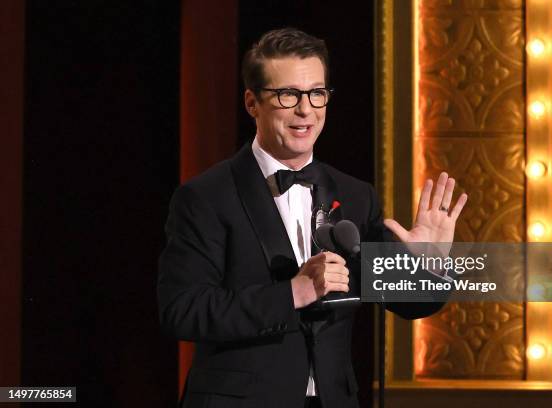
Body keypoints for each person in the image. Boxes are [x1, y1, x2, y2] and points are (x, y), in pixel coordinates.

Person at [158, 27, 467, 408]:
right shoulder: (205, 197)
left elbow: (411, 303)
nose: (305, 110)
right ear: (252, 103)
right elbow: (183, 311)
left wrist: (427, 265)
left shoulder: (356, 196)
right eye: (288, 94)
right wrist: (294, 292)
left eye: (317, 93)